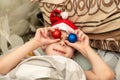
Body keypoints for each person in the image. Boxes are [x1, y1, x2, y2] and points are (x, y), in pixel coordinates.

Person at [0, 26, 114, 80]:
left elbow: (106, 76)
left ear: (74, 54)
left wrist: (86, 48)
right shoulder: (28, 59)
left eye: (69, 42)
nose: (62, 44)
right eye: (57, 38)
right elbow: (1, 67)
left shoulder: (73, 68)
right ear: (44, 46)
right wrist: (36, 42)